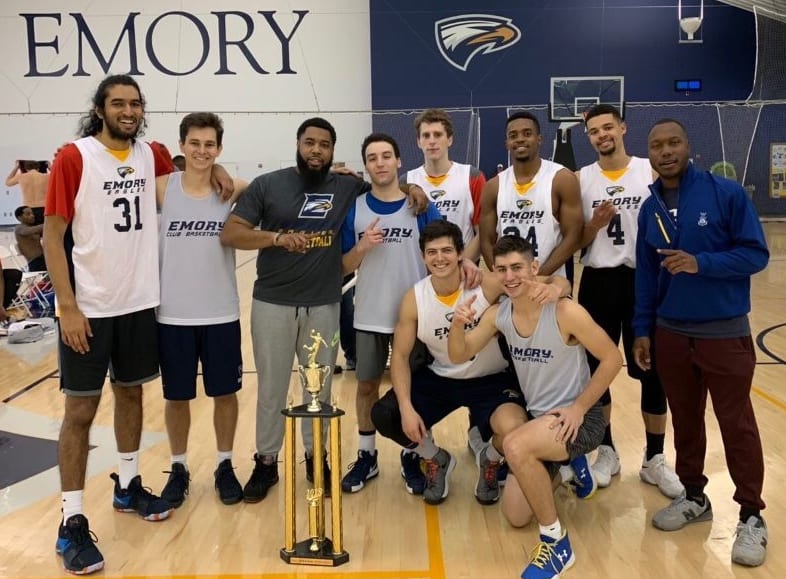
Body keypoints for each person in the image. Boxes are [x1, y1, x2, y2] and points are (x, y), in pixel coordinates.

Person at [220, 118, 429, 503]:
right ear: (298, 144)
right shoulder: (269, 185)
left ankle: (317, 458)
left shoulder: (347, 186)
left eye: (324, 145)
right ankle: (267, 462)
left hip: (323, 304)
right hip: (272, 304)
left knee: (319, 388)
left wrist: (414, 187)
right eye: (309, 143)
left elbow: (387, 187)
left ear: (333, 150)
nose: (316, 150)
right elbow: (231, 232)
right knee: (271, 389)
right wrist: (277, 238)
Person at [43, 74, 176, 575]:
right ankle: (71, 521)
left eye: (135, 103)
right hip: (90, 308)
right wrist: (68, 306)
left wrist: (224, 174)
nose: (128, 110)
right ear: (100, 109)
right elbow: (54, 238)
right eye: (118, 103)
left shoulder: (153, 155)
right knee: (79, 411)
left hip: (140, 304)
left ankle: (127, 484)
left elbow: (189, 182)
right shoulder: (74, 158)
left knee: (131, 395)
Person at [633, 119, 769, 568]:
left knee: (737, 424)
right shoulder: (648, 208)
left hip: (724, 333)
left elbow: (756, 254)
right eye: (657, 145)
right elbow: (647, 276)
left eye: (674, 142)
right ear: (649, 153)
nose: (666, 151)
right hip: (671, 335)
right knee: (686, 422)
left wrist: (700, 262)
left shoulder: (725, 194)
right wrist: (642, 329)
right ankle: (694, 496)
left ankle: (751, 514)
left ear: (689, 146)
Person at [448, 235, 622, 579]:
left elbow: (613, 359)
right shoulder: (500, 315)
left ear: (534, 268)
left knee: (514, 445)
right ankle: (567, 468)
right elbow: (459, 354)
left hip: (580, 422)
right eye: (502, 270)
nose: (510, 276)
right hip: (540, 424)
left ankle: (557, 544)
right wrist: (456, 323)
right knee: (515, 515)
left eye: (517, 268)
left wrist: (579, 408)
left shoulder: (564, 311)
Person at [372, 220, 571, 504]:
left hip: (490, 379)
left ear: (460, 253)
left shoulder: (485, 285)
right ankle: (435, 458)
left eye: (447, 251)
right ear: (422, 256)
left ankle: (490, 459)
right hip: (440, 378)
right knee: (385, 415)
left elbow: (555, 282)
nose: (439, 258)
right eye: (432, 252)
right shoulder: (414, 299)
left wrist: (557, 289)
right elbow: (400, 357)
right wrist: (405, 407)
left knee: (515, 429)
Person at [575, 104, 681, 498]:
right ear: (588, 137)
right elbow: (576, 242)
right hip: (599, 281)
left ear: (622, 128)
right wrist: (593, 226)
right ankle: (607, 450)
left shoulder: (647, 170)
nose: (602, 135)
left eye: (608, 127)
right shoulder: (581, 179)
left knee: (652, 371)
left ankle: (655, 458)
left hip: (644, 280)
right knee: (597, 367)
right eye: (594, 131)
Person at [339, 133, 443, 494]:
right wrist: (363, 247)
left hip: (415, 317)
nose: (380, 162)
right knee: (366, 385)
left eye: (387, 155)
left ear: (399, 162)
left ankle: (412, 453)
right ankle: (367, 456)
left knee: (412, 391)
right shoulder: (355, 208)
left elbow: (444, 253)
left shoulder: (420, 205)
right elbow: (341, 267)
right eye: (372, 157)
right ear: (365, 166)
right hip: (368, 313)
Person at [155, 112, 249, 509]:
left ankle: (225, 465)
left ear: (219, 149)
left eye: (210, 145)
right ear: (182, 146)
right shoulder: (160, 188)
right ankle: (178, 467)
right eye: (195, 143)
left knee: (225, 394)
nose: (202, 151)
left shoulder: (233, 188)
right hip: (172, 315)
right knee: (177, 398)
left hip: (220, 312)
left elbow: (280, 189)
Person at [479, 111, 583, 279]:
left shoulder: (561, 179)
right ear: (507, 143)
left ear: (539, 139)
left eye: (527, 134)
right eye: (513, 135)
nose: (520, 139)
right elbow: (486, 241)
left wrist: (538, 277)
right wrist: (505, 277)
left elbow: (573, 236)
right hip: (510, 285)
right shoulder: (493, 186)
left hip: (551, 282)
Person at [405, 108, 486, 263]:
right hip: (422, 273)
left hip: (462, 271)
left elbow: (482, 233)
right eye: (426, 135)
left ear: (449, 139)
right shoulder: (407, 181)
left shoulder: (472, 177)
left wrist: (457, 266)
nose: (432, 141)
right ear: (418, 142)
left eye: (438, 134)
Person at [6, 160, 49, 224]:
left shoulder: (21, 176)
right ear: (38, 168)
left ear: (26, 168)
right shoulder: (46, 176)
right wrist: (51, 167)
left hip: (28, 209)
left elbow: (8, 182)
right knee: (43, 229)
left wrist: (16, 168)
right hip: (43, 207)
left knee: (30, 231)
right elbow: (59, 178)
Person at [14, 205, 47, 271]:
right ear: (19, 218)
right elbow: (30, 231)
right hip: (35, 262)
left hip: (43, 259)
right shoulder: (19, 228)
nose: (32, 216)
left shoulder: (31, 227)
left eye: (32, 213)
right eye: (28, 214)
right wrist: (49, 223)